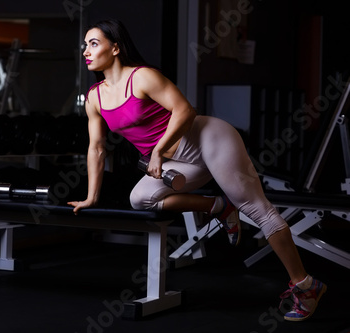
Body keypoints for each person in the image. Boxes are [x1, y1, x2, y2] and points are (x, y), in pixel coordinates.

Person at [67, 19, 326, 321]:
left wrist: (159, 151)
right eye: (84, 44)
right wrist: (91, 197)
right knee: (140, 199)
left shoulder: (142, 78)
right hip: (177, 163)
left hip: (209, 140)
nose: (86, 50)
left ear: (115, 48)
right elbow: (96, 148)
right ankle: (218, 206)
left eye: (94, 43)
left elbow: (185, 110)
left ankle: (305, 284)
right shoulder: (95, 98)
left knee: (258, 210)